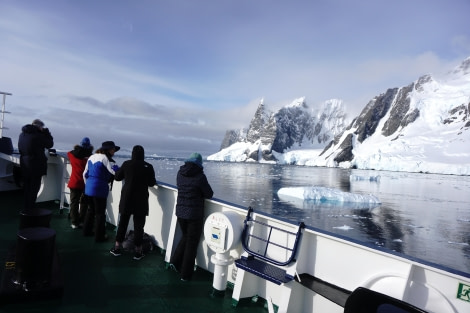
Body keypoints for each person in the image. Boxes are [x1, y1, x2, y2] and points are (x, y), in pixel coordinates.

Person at [170, 152, 213, 281]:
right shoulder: (200, 177)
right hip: (194, 215)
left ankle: (175, 261)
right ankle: (186, 274)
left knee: (186, 237)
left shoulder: (180, 173)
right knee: (192, 243)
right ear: (199, 164)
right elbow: (209, 193)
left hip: (181, 213)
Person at [110, 145, 156, 260]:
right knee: (139, 226)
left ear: (133, 153)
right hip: (141, 200)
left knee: (123, 224)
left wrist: (117, 171)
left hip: (127, 199)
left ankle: (116, 248)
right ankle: (138, 252)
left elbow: (117, 178)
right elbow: (152, 183)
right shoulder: (148, 166)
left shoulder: (126, 164)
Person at [82, 141, 120, 242]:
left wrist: (87, 185)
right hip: (99, 188)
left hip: (89, 188)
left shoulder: (91, 157)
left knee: (91, 210)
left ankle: (86, 231)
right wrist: (119, 169)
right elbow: (113, 171)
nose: (114, 152)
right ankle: (99, 237)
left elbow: (84, 173)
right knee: (100, 213)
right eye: (113, 150)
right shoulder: (105, 158)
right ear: (108, 150)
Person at [18, 119, 54, 210]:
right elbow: (50, 144)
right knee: (34, 188)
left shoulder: (22, 135)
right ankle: (30, 208)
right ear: (39, 127)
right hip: (35, 165)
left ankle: (26, 207)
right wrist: (47, 133)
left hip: (25, 164)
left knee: (27, 187)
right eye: (42, 127)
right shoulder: (38, 136)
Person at [67, 137, 93, 229]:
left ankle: (74, 222)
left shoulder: (72, 155)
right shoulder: (90, 157)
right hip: (86, 183)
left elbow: (69, 153)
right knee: (84, 203)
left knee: (74, 202)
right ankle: (82, 221)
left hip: (74, 182)